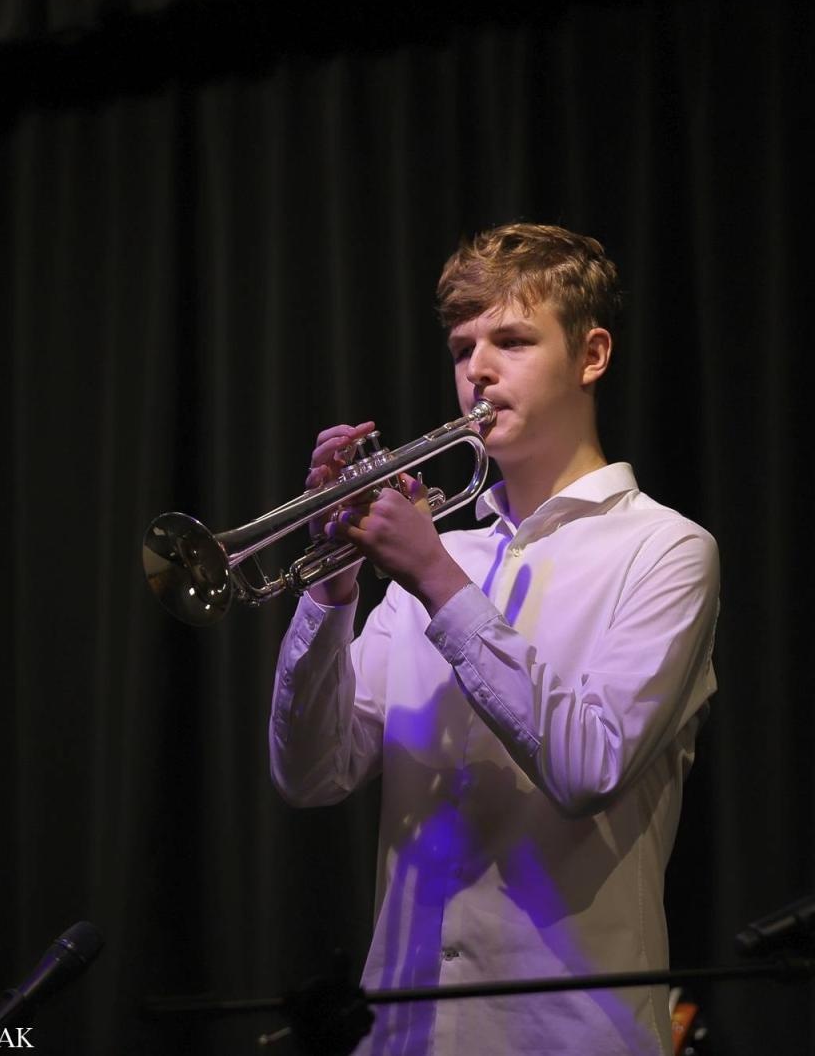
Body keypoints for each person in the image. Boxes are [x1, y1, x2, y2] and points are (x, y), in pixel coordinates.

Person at [269, 223, 720, 1056]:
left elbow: (588, 768)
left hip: (573, 1037)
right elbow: (312, 773)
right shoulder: (438, 559)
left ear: (591, 356)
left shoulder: (664, 550)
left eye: (512, 340)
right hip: (403, 1035)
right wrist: (330, 590)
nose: (477, 370)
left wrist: (437, 578)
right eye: (462, 346)